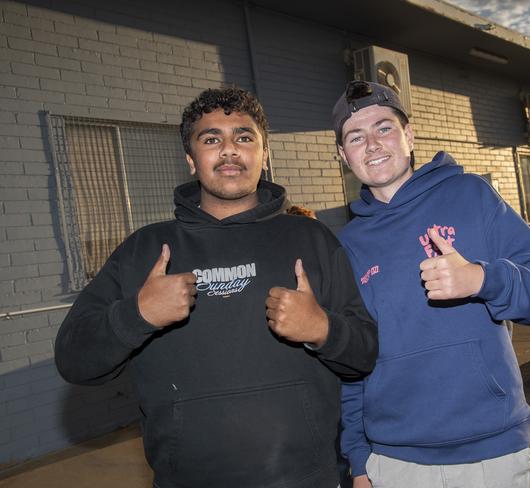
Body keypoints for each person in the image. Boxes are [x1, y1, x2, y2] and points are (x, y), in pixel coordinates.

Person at [55, 86, 378, 488]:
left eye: (244, 137)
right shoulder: (145, 250)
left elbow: (364, 354)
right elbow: (73, 359)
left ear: (264, 154)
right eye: (211, 139)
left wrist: (322, 330)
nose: (229, 150)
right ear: (191, 160)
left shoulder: (312, 240)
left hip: (305, 478)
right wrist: (137, 315)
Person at [331, 80, 530, 488]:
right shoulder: (347, 245)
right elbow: (354, 364)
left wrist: (482, 278)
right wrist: (359, 460)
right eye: (356, 136)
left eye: (384, 128)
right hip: (394, 462)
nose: (372, 144)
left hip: (492, 453)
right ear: (342, 155)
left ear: (409, 133)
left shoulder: (471, 195)